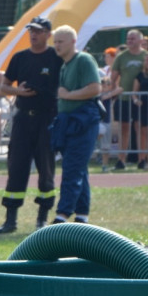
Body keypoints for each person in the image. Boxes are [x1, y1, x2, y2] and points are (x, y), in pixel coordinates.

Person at [0, 16, 62, 233]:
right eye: (31, 30)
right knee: (17, 167)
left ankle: (42, 219)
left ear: (48, 34)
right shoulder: (20, 57)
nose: (33, 34)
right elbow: (4, 87)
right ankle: (10, 220)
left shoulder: (56, 57)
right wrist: (19, 91)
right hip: (23, 118)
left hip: (47, 118)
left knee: (46, 168)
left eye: (39, 31)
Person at [50, 25, 102, 224]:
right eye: (55, 42)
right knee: (80, 169)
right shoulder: (65, 64)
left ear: (73, 42)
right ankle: (82, 215)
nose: (56, 45)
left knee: (72, 168)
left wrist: (69, 95)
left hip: (83, 121)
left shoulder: (83, 60)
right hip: (70, 123)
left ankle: (62, 215)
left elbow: (96, 88)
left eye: (60, 41)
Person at [110, 29, 148, 170]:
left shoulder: (147, 56)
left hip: (142, 100)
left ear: (140, 40)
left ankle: (142, 160)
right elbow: (113, 78)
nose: (129, 41)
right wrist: (114, 92)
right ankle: (121, 160)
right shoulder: (121, 57)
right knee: (124, 129)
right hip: (124, 98)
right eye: (128, 38)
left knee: (141, 129)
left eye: (133, 38)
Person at [130, 51, 148, 171]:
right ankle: (143, 160)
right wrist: (136, 100)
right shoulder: (140, 75)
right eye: (145, 60)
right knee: (146, 133)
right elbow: (134, 92)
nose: (146, 63)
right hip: (145, 107)